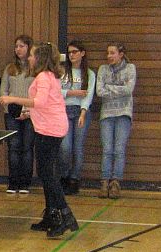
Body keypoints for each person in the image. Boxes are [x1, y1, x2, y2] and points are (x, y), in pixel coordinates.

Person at [0, 42, 77, 238]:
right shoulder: (49, 76)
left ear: (40, 58)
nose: (30, 58)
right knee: (45, 172)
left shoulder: (43, 77)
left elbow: (40, 102)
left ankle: (65, 215)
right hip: (50, 126)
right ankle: (51, 215)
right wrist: (28, 112)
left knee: (47, 173)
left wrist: (12, 99)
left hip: (50, 129)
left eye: (33, 55)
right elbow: (47, 103)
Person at [96, 41, 136, 199]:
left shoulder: (130, 68)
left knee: (119, 149)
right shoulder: (103, 69)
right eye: (107, 53)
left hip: (123, 113)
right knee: (107, 149)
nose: (109, 56)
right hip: (107, 114)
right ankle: (104, 182)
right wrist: (119, 89)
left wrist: (109, 87)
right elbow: (99, 91)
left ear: (121, 54)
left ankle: (115, 182)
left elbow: (129, 90)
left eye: (112, 53)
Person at [0, 35, 35, 196]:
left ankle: (25, 182)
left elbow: (38, 94)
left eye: (22, 46)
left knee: (27, 148)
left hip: (30, 113)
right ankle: (13, 182)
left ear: (29, 48)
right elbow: (3, 91)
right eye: (16, 46)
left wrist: (27, 110)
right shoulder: (10, 68)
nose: (18, 49)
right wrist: (11, 109)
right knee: (13, 147)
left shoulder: (35, 69)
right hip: (12, 113)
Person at [59, 40, 95, 196]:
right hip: (64, 110)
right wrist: (72, 93)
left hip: (81, 111)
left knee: (78, 148)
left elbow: (88, 94)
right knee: (65, 147)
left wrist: (83, 112)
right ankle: (64, 176)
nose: (71, 55)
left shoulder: (89, 74)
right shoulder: (62, 71)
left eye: (74, 52)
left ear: (82, 53)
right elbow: (57, 91)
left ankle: (75, 179)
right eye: (69, 52)